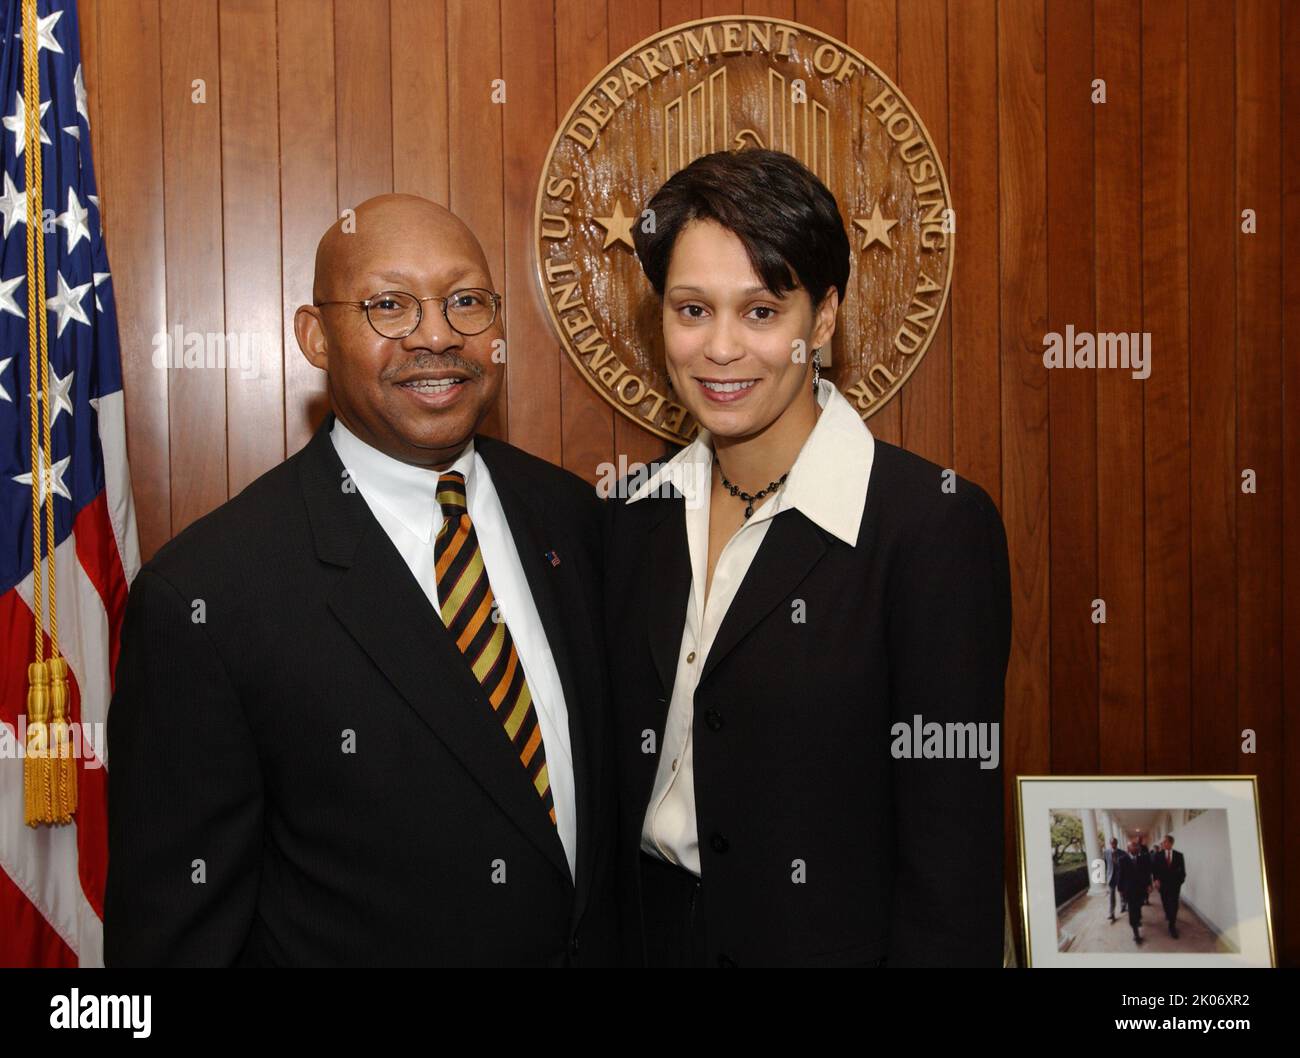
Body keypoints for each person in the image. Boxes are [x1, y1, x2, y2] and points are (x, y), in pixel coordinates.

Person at [105, 194, 618, 966]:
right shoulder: (208, 597)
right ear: (315, 336)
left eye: (467, 302)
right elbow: (173, 943)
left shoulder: (574, 519)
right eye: (389, 306)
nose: (438, 335)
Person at [604, 148, 1012, 967]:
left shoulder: (930, 528)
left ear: (821, 321)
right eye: (692, 310)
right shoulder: (627, 516)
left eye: (761, 313)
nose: (721, 349)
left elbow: (952, 864)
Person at [1115, 838, 1152, 945]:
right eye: (1133, 846)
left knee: (1139, 906)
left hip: (1141, 889)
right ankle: (1136, 933)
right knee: (1132, 910)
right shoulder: (1122, 859)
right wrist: (1120, 888)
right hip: (1129, 890)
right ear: (1128, 848)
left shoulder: (1143, 859)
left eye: (1137, 846)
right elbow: (1120, 875)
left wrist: (1149, 884)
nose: (1136, 847)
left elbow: (1147, 873)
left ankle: (1138, 918)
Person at [1151, 834, 1187, 938]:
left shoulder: (1179, 855)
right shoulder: (1158, 855)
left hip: (1175, 886)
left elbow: (1183, 872)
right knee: (1166, 903)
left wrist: (1180, 882)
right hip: (1163, 886)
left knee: (1174, 906)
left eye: (1165, 841)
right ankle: (1168, 914)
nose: (1163, 843)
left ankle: (1172, 926)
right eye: (1163, 842)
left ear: (1171, 843)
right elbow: (1155, 870)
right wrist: (1156, 880)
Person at [1104, 836, 1122, 922]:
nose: (1113, 844)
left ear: (1116, 843)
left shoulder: (1121, 852)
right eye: (1111, 843)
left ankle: (1123, 906)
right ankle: (1112, 913)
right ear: (1110, 844)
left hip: (1120, 876)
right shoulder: (1106, 852)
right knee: (1111, 896)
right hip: (1111, 877)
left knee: (1122, 893)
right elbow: (1105, 864)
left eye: (1114, 843)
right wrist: (1106, 876)